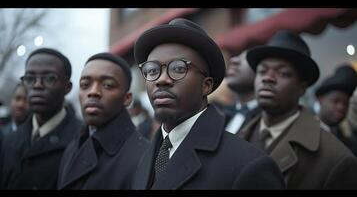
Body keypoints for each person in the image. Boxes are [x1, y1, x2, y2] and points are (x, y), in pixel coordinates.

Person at [132, 18, 285, 190]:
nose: (161, 79)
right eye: (152, 70)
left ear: (206, 85)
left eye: (178, 68)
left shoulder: (249, 166)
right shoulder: (144, 155)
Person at [239, 30, 357, 189]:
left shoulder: (336, 160)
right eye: (262, 71)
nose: (268, 77)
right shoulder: (238, 134)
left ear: (302, 88)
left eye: (283, 73)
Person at [57, 53, 149, 189]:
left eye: (107, 85)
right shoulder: (72, 148)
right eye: (85, 84)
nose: (93, 92)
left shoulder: (144, 158)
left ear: (127, 98)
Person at [0, 48, 83, 189]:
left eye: (50, 78)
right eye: (30, 78)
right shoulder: (10, 141)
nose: (37, 85)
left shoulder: (83, 140)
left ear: (67, 87)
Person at [315, 64, 357, 156]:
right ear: (321, 100)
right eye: (335, 101)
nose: (341, 107)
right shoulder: (305, 131)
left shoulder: (349, 144)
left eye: (345, 103)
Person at [224, 50, 260, 134]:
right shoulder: (220, 112)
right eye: (237, 57)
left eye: (245, 58)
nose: (233, 60)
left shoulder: (267, 119)